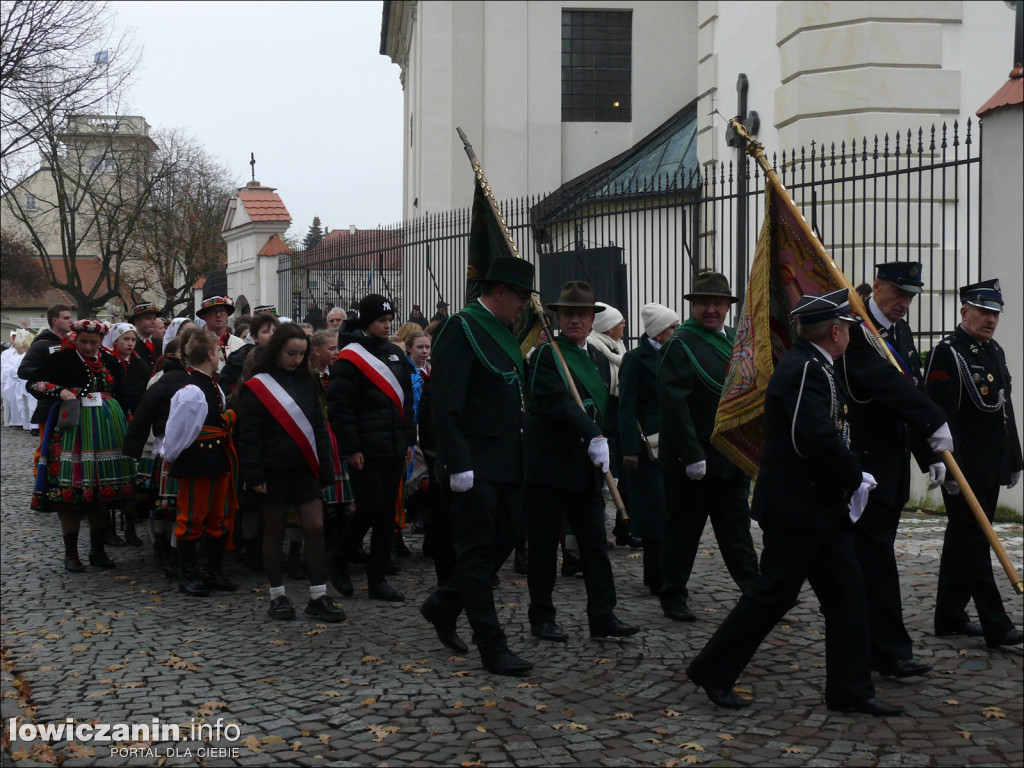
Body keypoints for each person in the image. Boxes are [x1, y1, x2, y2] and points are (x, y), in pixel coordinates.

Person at [686, 289, 903, 717]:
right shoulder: (807, 369)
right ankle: (713, 669)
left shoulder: (813, 365)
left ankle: (850, 689)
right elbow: (813, 436)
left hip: (817, 506)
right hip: (799, 509)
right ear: (836, 332)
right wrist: (853, 473)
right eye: (847, 329)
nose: (849, 336)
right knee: (774, 594)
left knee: (846, 596)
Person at [419, 257, 537, 676]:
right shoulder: (462, 327)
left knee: (504, 540)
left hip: (508, 460)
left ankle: (444, 604)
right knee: (475, 554)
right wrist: (455, 461)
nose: (524, 305)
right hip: (474, 462)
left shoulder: (502, 329)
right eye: (521, 296)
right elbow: (446, 401)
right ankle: (492, 645)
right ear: (499, 291)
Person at [835, 261, 950, 678]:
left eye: (911, 296)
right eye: (898, 293)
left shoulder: (897, 332)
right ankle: (885, 651)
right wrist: (935, 418)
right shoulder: (854, 329)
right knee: (871, 563)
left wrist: (929, 455)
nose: (904, 304)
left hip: (891, 466)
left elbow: (907, 392)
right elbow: (883, 384)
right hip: (862, 469)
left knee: (871, 561)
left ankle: (877, 648)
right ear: (877, 285)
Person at [525, 281, 639, 645]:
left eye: (582, 314)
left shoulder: (597, 359)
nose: (575, 320)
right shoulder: (547, 355)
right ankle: (542, 617)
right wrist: (592, 434)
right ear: (558, 317)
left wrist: (608, 448)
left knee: (594, 546)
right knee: (544, 549)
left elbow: (605, 408)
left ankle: (602, 615)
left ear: (593, 320)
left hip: (588, 468)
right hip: (550, 467)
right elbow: (556, 402)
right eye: (569, 314)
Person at [925, 279, 1023, 648]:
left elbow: (1004, 408)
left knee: (962, 541)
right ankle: (996, 624)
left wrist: (1014, 458)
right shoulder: (948, 353)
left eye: (995, 313)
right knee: (976, 542)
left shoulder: (993, 351)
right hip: (962, 467)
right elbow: (940, 415)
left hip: (991, 464)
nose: (990, 320)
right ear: (964, 311)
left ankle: (949, 616)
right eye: (983, 312)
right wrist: (948, 467)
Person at [656, 273, 759, 622]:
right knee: (683, 532)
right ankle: (672, 595)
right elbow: (674, 404)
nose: (711, 310)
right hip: (693, 462)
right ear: (693, 306)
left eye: (719, 303)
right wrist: (691, 454)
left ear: (729, 307)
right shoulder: (681, 343)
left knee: (737, 532)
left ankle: (756, 592)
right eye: (704, 303)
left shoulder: (734, 339)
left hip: (730, 457)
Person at [238, 323, 344, 622]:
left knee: (315, 528)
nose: (296, 359)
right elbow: (249, 433)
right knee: (273, 533)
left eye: (301, 354)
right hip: (273, 471)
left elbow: (318, 427)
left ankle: (318, 595)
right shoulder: (258, 384)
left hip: (304, 468)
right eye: (291, 353)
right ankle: (278, 596)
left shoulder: (308, 380)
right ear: (276, 351)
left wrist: (325, 469)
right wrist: (254, 474)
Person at [27, 319, 136, 572]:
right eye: (84, 342)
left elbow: (121, 394)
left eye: (93, 343)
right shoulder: (61, 359)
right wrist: (60, 391)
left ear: (101, 343)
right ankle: (71, 553)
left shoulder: (110, 362)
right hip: (74, 431)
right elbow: (33, 382)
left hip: (108, 431)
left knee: (101, 490)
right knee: (73, 490)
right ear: (75, 338)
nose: (88, 347)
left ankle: (98, 550)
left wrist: (128, 424)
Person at [327, 293, 415, 602]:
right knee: (369, 507)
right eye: (381, 320)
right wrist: (351, 448)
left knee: (386, 513)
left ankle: (377, 578)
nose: (387, 326)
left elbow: (406, 400)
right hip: (365, 447)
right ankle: (339, 556)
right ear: (367, 322)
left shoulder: (394, 353)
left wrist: (408, 439)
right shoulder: (350, 357)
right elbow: (340, 407)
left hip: (392, 445)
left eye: (390, 321)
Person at [161, 329, 239, 597]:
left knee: (217, 516)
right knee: (192, 516)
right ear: (209, 354)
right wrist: (171, 456)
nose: (218, 356)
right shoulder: (192, 390)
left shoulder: (213, 385)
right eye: (217, 352)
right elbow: (179, 430)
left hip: (217, 458)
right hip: (196, 460)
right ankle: (187, 572)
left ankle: (212, 570)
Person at [618, 302, 679, 596]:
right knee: (655, 515)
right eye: (672, 327)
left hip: (673, 445)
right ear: (658, 331)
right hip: (647, 448)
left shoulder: (675, 354)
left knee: (671, 511)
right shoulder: (635, 359)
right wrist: (630, 448)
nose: (676, 331)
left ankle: (665, 574)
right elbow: (626, 405)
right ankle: (656, 577)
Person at [588, 301, 640, 550]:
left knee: (625, 476)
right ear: (609, 327)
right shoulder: (595, 349)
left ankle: (625, 527)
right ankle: (596, 531)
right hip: (604, 416)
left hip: (619, 416)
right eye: (620, 322)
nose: (624, 325)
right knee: (602, 477)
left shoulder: (618, 348)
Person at [103, 322, 152, 547]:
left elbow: (146, 390)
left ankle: (131, 527)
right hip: (113, 420)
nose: (130, 344)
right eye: (126, 339)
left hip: (136, 421)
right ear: (115, 341)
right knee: (112, 473)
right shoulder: (108, 363)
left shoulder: (140, 365)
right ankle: (109, 528)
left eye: (133, 340)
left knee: (132, 474)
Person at [19, 303, 73, 440]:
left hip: (72, 400)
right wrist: (47, 372)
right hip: (50, 402)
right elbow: (23, 370)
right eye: (66, 318)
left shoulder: (74, 341)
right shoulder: (42, 344)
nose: (71, 321)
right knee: (49, 447)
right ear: (54, 321)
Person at [195, 296, 246, 375]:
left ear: (227, 315)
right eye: (213, 312)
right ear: (204, 316)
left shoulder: (239, 343)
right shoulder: (197, 343)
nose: (218, 315)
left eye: (222, 311)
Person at [129, 302, 163, 369]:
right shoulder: (131, 344)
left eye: (154, 318)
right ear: (136, 321)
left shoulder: (159, 344)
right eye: (148, 318)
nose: (153, 322)